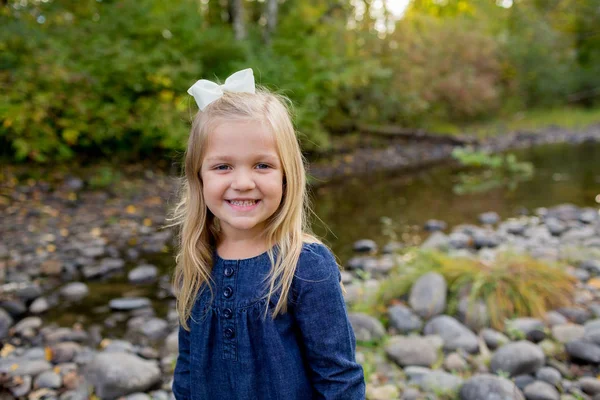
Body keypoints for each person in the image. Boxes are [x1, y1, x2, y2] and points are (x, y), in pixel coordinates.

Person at [167, 68, 365, 400]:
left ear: (287, 175)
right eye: (222, 166)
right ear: (198, 177)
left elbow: (338, 377)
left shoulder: (305, 266)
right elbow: (186, 368)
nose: (243, 182)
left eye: (262, 165)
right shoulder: (198, 261)